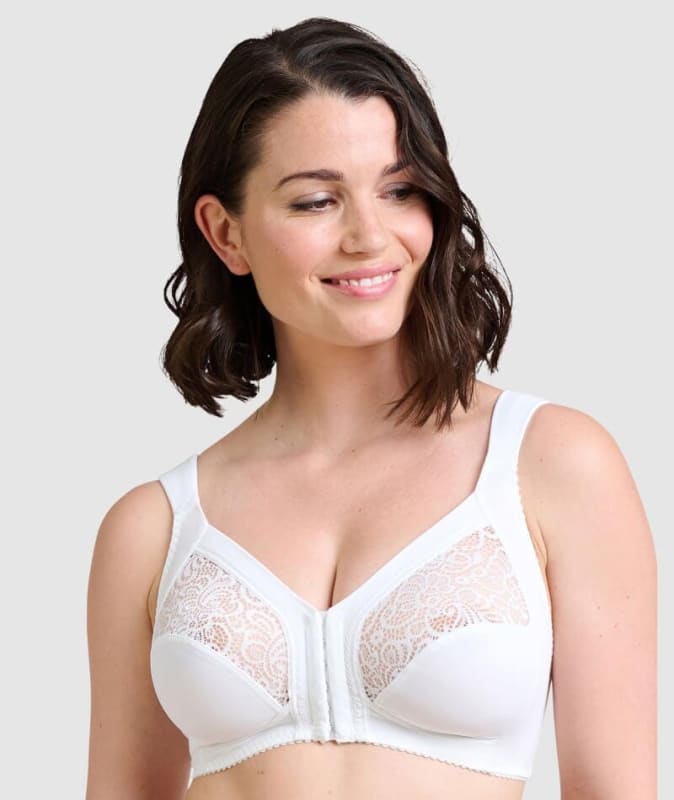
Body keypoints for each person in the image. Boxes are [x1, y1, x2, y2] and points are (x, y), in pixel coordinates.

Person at [85, 16, 657, 800]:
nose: (369, 236)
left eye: (399, 190)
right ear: (226, 234)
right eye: (317, 201)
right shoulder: (151, 530)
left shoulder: (551, 465)